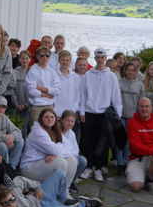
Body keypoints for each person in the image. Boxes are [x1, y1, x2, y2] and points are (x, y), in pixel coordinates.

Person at [0, 172, 101, 207]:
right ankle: (84, 203)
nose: (11, 204)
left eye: (12, 199)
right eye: (6, 204)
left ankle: (63, 200)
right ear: (1, 205)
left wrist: (37, 188)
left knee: (59, 173)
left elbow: (19, 179)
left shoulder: (14, 192)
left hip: (41, 196)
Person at [78, 49, 122, 182]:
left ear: (105, 58)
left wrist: (117, 115)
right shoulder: (87, 75)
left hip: (104, 113)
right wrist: (82, 111)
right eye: (98, 57)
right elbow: (82, 95)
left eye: (102, 57)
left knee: (102, 142)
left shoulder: (111, 76)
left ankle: (98, 168)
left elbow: (116, 96)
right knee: (87, 141)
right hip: (89, 112)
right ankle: (88, 167)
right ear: (95, 58)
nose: (100, 59)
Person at [19, 108, 70, 198]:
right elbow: (58, 149)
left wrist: (55, 154)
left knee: (71, 160)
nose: (49, 119)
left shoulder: (55, 130)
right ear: (41, 119)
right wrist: (56, 153)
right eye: (46, 117)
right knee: (61, 162)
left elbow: (69, 147)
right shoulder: (38, 132)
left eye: (52, 117)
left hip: (42, 164)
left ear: (55, 119)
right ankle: (53, 194)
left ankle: (65, 191)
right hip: (29, 168)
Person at [0, 96, 24, 174]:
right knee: (1, 145)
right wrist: (4, 137)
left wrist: (12, 137)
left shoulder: (5, 118)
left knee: (20, 141)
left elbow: (18, 131)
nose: (1, 109)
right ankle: (5, 169)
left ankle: (12, 168)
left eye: (3, 107)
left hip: (5, 143)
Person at [119, 62, 145, 163]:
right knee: (120, 139)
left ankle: (127, 160)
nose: (130, 72)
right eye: (128, 70)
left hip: (132, 116)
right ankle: (120, 162)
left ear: (136, 72)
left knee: (129, 140)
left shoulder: (140, 85)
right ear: (125, 71)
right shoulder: (119, 82)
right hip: (120, 115)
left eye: (133, 70)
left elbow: (141, 102)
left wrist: (139, 116)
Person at [26, 46, 61, 122]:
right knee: (36, 131)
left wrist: (42, 88)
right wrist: (46, 95)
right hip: (36, 106)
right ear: (37, 56)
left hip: (50, 106)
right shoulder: (32, 70)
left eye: (47, 55)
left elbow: (58, 90)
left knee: (49, 132)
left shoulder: (52, 72)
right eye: (42, 55)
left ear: (49, 58)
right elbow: (31, 91)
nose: (45, 57)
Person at [59, 110, 87, 192]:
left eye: (72, 121)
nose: (70, 123)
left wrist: (72, 157)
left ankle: (71, 182)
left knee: (82, 160)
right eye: (67, 120)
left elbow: (75, 150)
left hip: (70, 156)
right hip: (60, 157)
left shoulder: (71, 133)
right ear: (62, 120)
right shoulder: (57, 132)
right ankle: (62, 184)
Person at [53, 50, 82, 118]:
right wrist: (53, 108)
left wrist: (74, 109)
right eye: (62, 60)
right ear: (59, 60)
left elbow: (78, 95)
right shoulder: (53, 75)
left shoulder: (76, 77)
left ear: (70, 61)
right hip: (55, 112)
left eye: (67, 60)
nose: (65, 62)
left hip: (70, 112)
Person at [10, 51, 31, 136]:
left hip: (28, 106)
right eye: (22, 58)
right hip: (16, 105)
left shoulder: (32, 72)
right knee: (15, 127)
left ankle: (25, 146)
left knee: (25, 127)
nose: (25, 60)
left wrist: (26, 104)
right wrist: (16, 104)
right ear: (19, 59)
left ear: (30, 59)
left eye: (27, 58)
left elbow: (33, 91)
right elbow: (12, 89)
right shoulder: (14, 72)